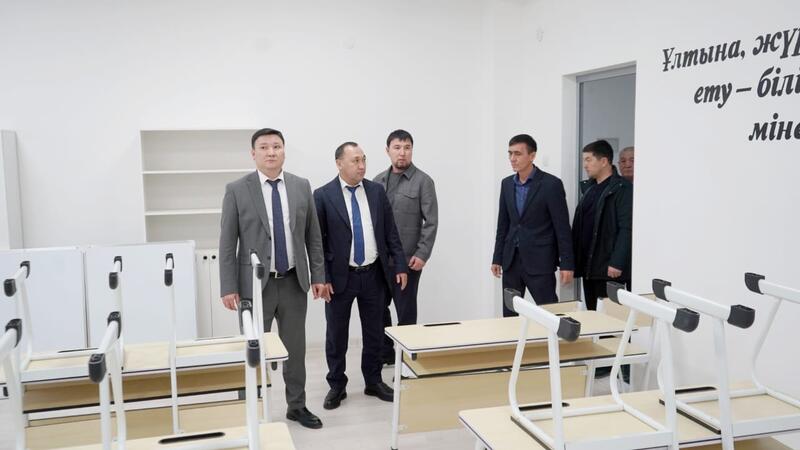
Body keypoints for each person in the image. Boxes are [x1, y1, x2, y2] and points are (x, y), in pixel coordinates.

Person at [219, 128, 327, 429]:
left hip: (293, 282)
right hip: (254, 286)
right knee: (254, 350)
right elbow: (227, 243)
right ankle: (254, 410)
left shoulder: (301, 186)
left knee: (295, 350)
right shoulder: (237, 189)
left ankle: (297, 406)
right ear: (253, 153)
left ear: (284, 151)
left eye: (276, 146)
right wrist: (228, 286)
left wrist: (318, 275)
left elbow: (313, 237)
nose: (271, 152)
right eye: (264, 147)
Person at [313, 142, 408, 410]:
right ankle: (336, 385)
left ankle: (373, 381)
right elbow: (317, 242)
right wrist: (322, 277)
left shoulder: (376, 191)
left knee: (375, 332)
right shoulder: (323, 195)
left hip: (374, 275)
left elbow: (391, 233)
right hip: (339, 278)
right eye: (355, 160)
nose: (362, 165)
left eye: (363, 159)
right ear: (339, 163)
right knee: (336, 335)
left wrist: (400, 265)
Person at [373, 129, 438, 364]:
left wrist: (422, 254)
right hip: (380, 261)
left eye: (407, 148)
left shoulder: (423, 181)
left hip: (408, 260)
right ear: (387, 150)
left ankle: (408, 360)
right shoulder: (377, 181)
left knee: (406, 312)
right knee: (378, 309)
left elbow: (431, 221)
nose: (402, 153)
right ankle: (387, 354)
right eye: (397, 147)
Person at [491, 134, 574, 316]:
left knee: (550, 314)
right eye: (510, 153)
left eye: (518, 154)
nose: (512, 158)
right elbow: (503, 224)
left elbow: (562, 228)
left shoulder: (551, 185)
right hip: (511, 261)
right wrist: (497, 257)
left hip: (540, 262)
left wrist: (567, 263)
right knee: (509, 315)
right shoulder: (506, 184)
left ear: (532, 155)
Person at [572, 139, 633, 312]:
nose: (585, 165)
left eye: (588, 160)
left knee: (610, 319)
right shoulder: (589, 188)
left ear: (604, 161)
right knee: (593, 315)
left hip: (609, 268)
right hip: (589, 267)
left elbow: (626, 228)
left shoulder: (622, 188)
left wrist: (617, 262)